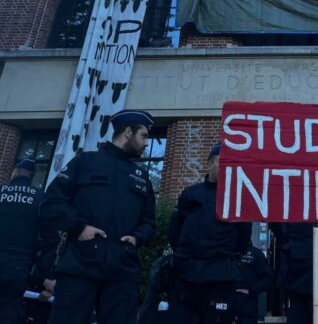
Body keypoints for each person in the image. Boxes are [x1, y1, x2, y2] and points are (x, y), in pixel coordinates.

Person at [40, 108, 156, 324]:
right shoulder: (84, 162)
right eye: (144, 136)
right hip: (79, 267)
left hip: (122, 271)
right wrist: (79, 227)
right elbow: (51, 203)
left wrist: (138, 237)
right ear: (128, 132)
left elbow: (149, 221)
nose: (146, 143)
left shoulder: (141, 176)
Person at [169, 143, 252, 323]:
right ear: (209, 164)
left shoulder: (238, 197)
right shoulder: (191, 194)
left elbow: (244, 238)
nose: (225, 167)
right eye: (221, 162)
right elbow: (175, 230)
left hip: (220, 276)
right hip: (187, 275)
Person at [0, 158, 56, 324]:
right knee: (8, 314)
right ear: (31, 177)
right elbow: (51, 240)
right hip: (17, 267)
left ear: (13, 174)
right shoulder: (40, 199)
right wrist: (42, 276)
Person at [230, 244, 274, 324]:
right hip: (225, 304)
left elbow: (268, 278)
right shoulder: (225, 252)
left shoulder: (255, 253)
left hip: (246, 306)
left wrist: (252, 290)